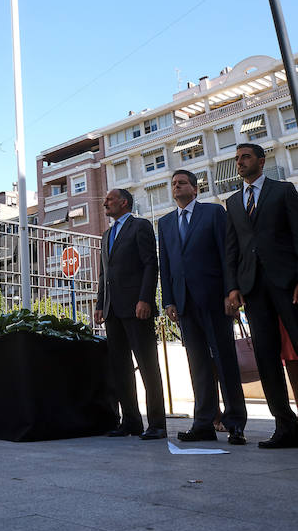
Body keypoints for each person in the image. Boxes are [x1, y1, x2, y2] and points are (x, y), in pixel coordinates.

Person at [158, 169, 247, 445]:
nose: (176, 187)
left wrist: (229, 292)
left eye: (182, 183)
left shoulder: (213, 213)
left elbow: (225, 253)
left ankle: (235, 423)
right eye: (173, 184)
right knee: (197, 364)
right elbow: (166, 264)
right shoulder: (165, 222)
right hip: (184, 302)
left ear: (195, 189)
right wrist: (169, 300)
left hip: (214, 299)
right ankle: (203, 423)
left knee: (225, 360)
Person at [225, 142, 298, 448]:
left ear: (261, 160)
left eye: (245, 157)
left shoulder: (283, 191)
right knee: (266, 358)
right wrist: (232, 287)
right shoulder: (231, 202)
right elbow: (232, 248)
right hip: (252, 287)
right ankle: (285, 426)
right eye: (237, 158)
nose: (240, 162)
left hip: (287, 282)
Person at [95, 188, 167, 440]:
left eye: (110, 199)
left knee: (148, 366)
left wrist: (145, 298)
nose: (105, 202)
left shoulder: (140, 226)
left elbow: (150, 263)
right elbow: (104, 273)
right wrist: (99, 304)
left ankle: (157, 424)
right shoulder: (106, 235)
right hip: (113, 310)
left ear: (124, 203)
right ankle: (131, 421)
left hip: (137, 308)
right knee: (120, 367)